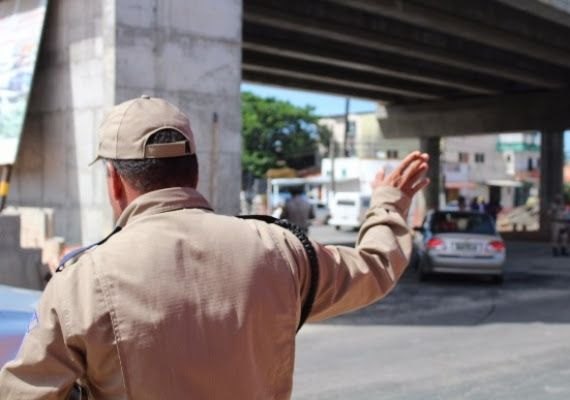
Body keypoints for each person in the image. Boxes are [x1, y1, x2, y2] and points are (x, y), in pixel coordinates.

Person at [0, 96, 430, 399]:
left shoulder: (81, 282)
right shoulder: (280, 249)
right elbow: (374, 268)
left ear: (114, 181)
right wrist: (389, 204)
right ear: (195, 170)